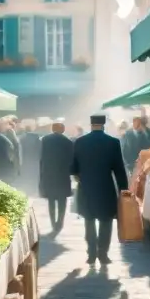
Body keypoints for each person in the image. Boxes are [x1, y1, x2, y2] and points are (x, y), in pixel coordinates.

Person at [71, 113, 129, 266]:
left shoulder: (80, 142)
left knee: (89, 221)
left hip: (86, 187)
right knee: (106, 221)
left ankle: (91, 254)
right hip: (106, 187)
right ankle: (103, 253)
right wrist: (124, 189)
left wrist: (80, 177)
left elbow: (73, 168)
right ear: (103, 125)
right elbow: (119, 169)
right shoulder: (113, 142)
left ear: (91, 125)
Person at [39, 118, 75, 234]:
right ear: (63, 130)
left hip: (49, 173)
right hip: (62, 175)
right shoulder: (68, 142)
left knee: (51, 200)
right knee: (62, 200)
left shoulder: (45, 140)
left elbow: (41, 157)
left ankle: (53, 222)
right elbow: (71, 159)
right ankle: (60, 222)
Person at [20, 119, 42, 190]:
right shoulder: (36, 137)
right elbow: (39, 149)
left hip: (25, 161)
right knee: (34, 178)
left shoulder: (21, 138)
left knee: (26, 178)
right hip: (35, 161)